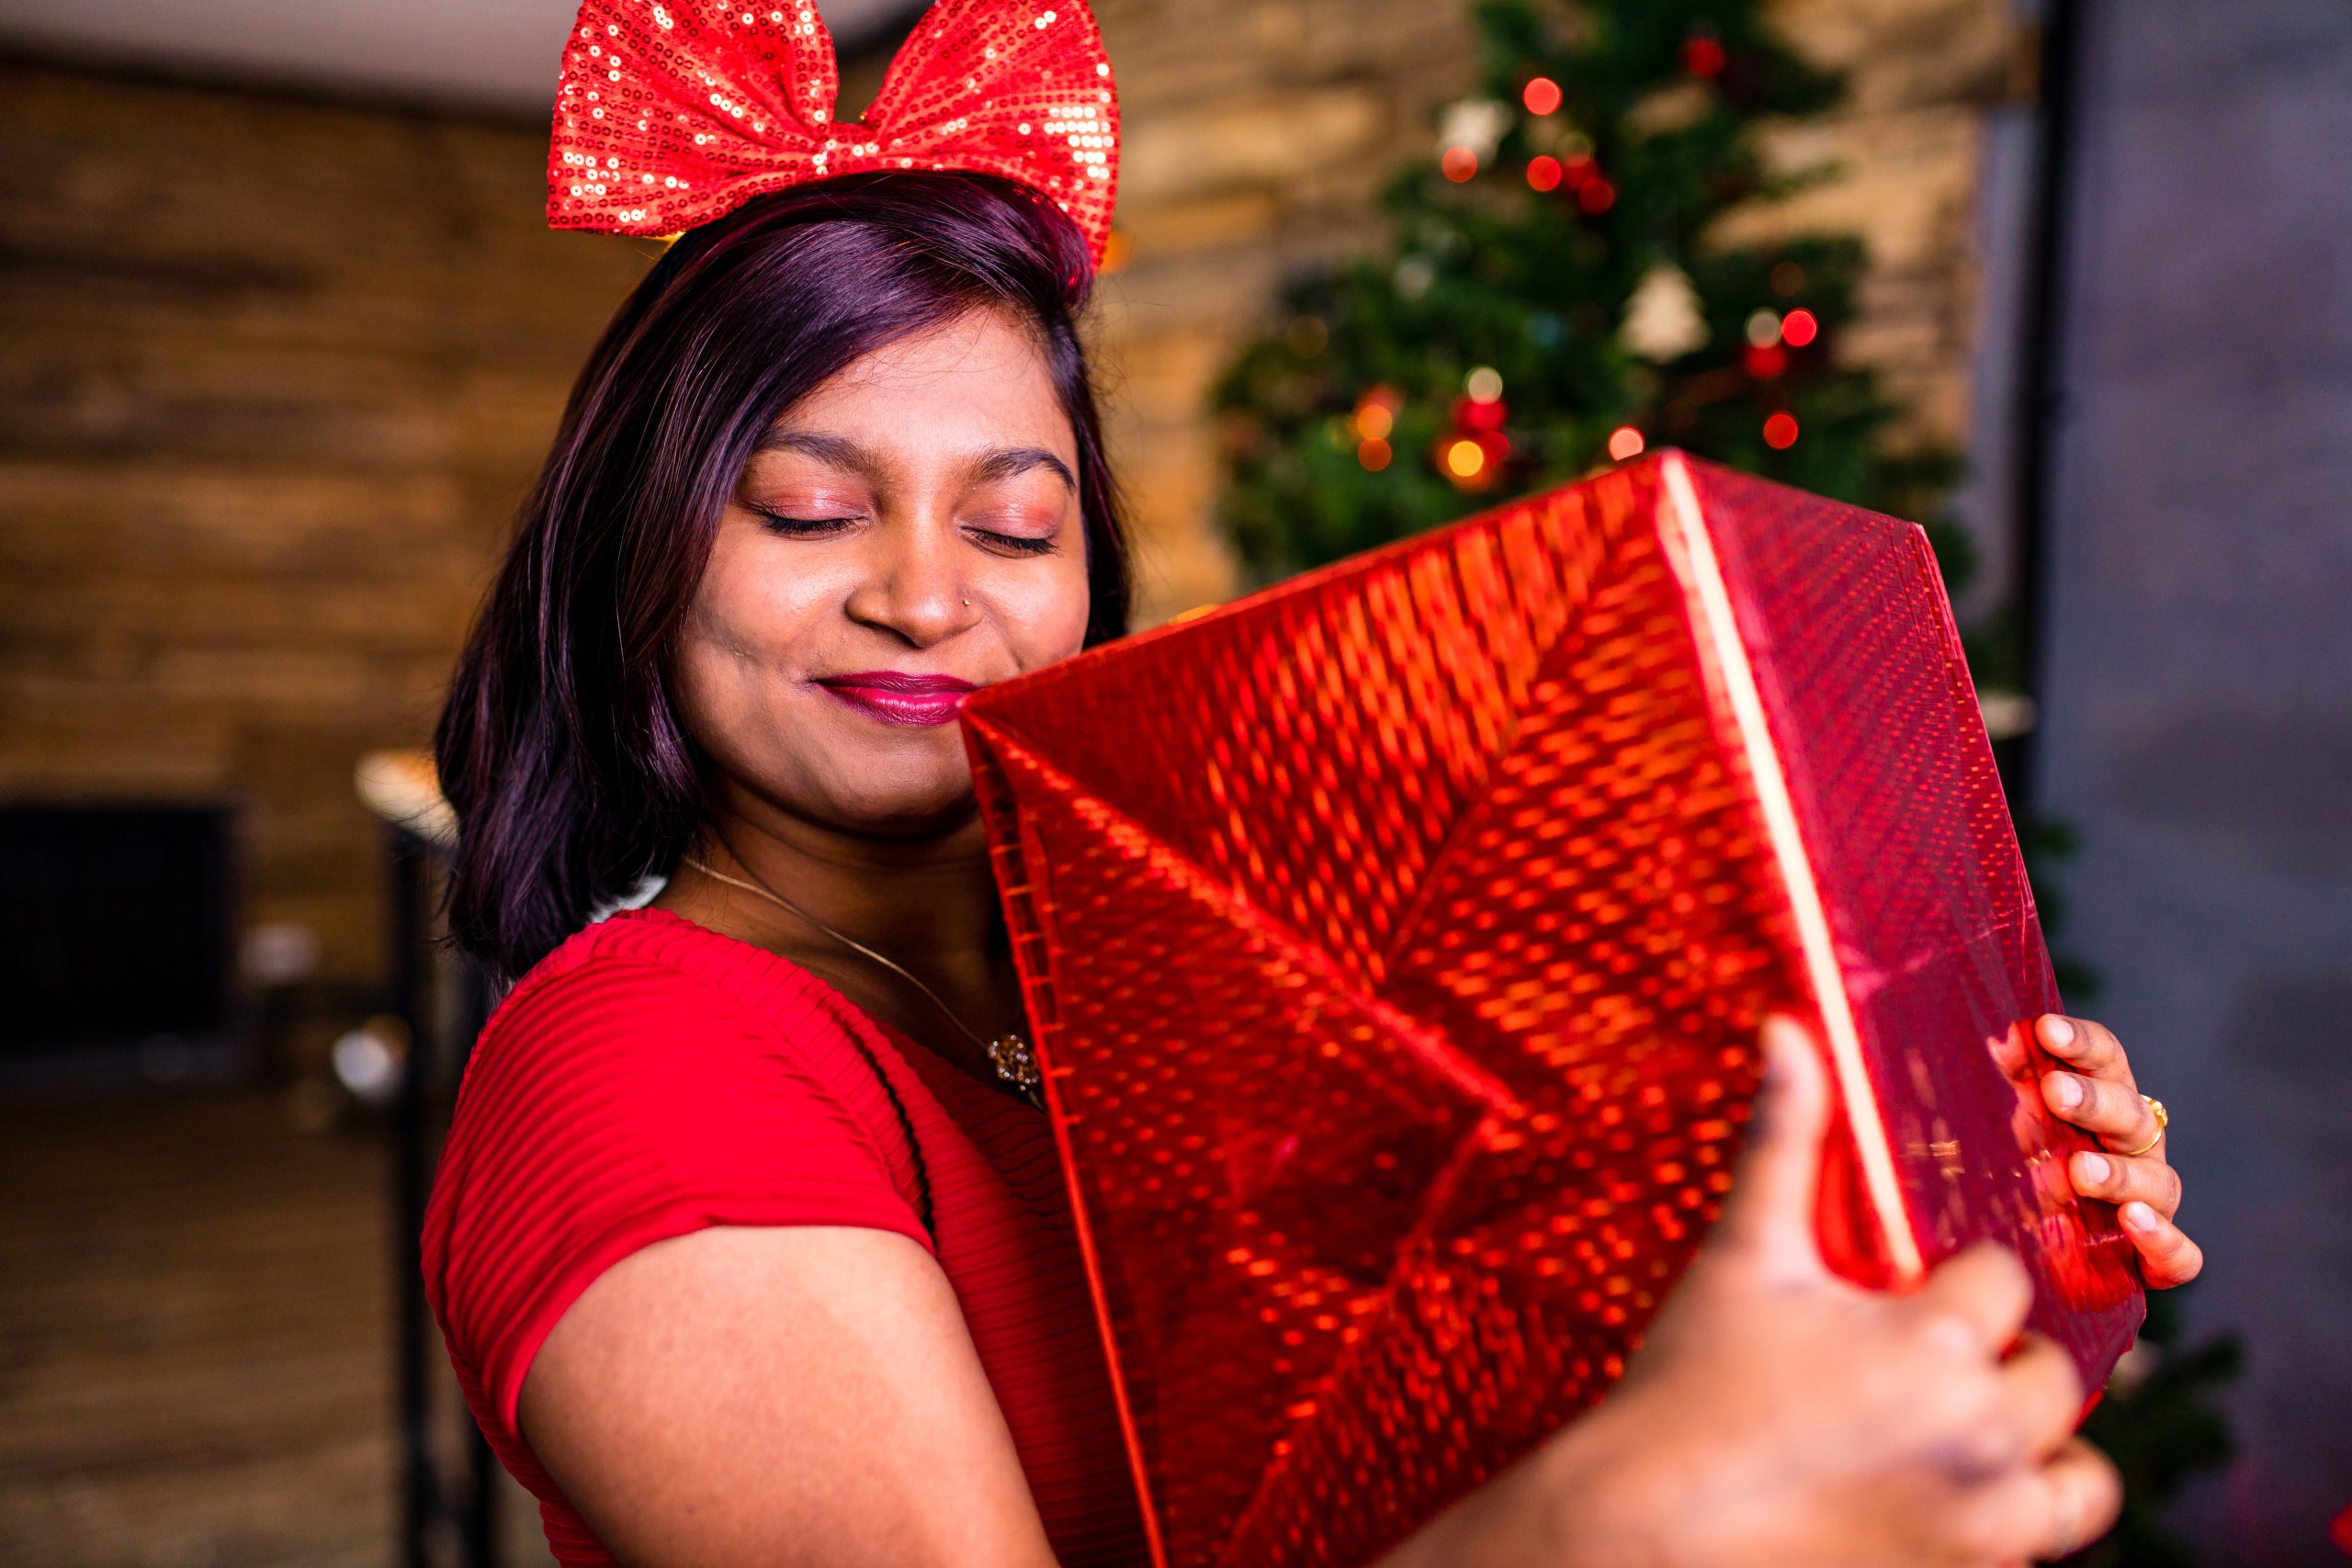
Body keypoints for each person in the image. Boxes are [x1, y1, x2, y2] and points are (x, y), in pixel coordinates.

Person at [422, 4, 2205, 1565]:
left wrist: (1965, 1210)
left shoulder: (1199, 956)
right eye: (808, 506)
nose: (924, 592)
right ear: (637, 549)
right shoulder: (634, 1068)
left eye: (1011, 521)